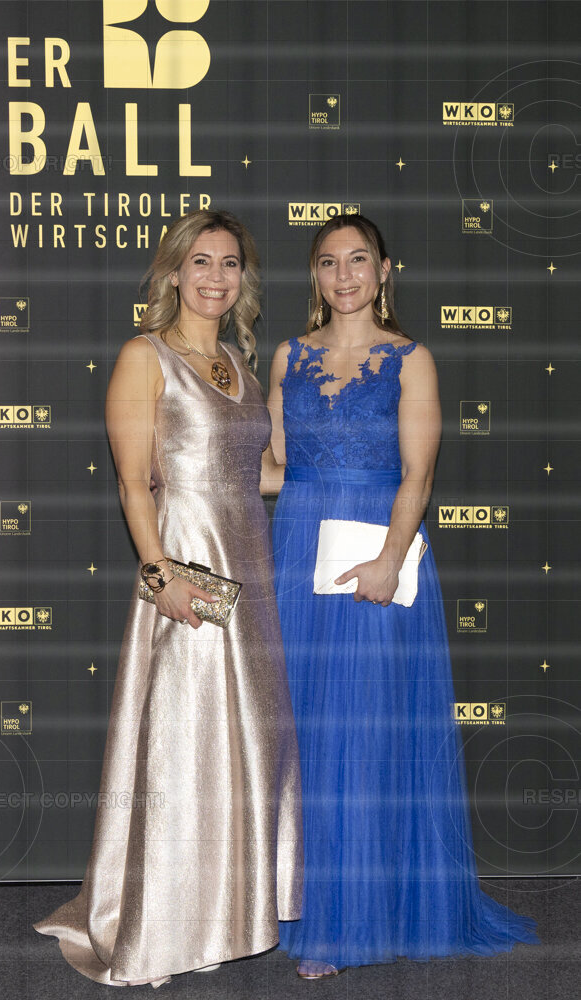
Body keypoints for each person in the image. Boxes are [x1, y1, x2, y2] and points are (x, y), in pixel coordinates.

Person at [261, 213, 540, 979]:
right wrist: (196, 472)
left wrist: (388, 559)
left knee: (363, 737)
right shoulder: (287, 355)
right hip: (298, 551)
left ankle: (350, 922)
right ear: (313, 274)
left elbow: (418, 473)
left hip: (377, 556)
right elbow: (277, 467)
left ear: (385, 270)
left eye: (358, 259)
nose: (343, 275)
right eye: (328, 262)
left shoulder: (411, 359)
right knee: (304, 737)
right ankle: (301, 906)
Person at [33, 209, 303, 987]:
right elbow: (132, 480)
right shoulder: (144, 356)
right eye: (201, 262)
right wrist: (160, 577)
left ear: (242, 279)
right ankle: (167, 924)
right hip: (187, 564)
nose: (216, 277)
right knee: (186, 742)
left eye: (229, 264)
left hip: (249, 568)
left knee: (245, 744)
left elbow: (260, 477)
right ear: (174, 274)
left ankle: (230, 913)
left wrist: (343, 462)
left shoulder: (238, 364)